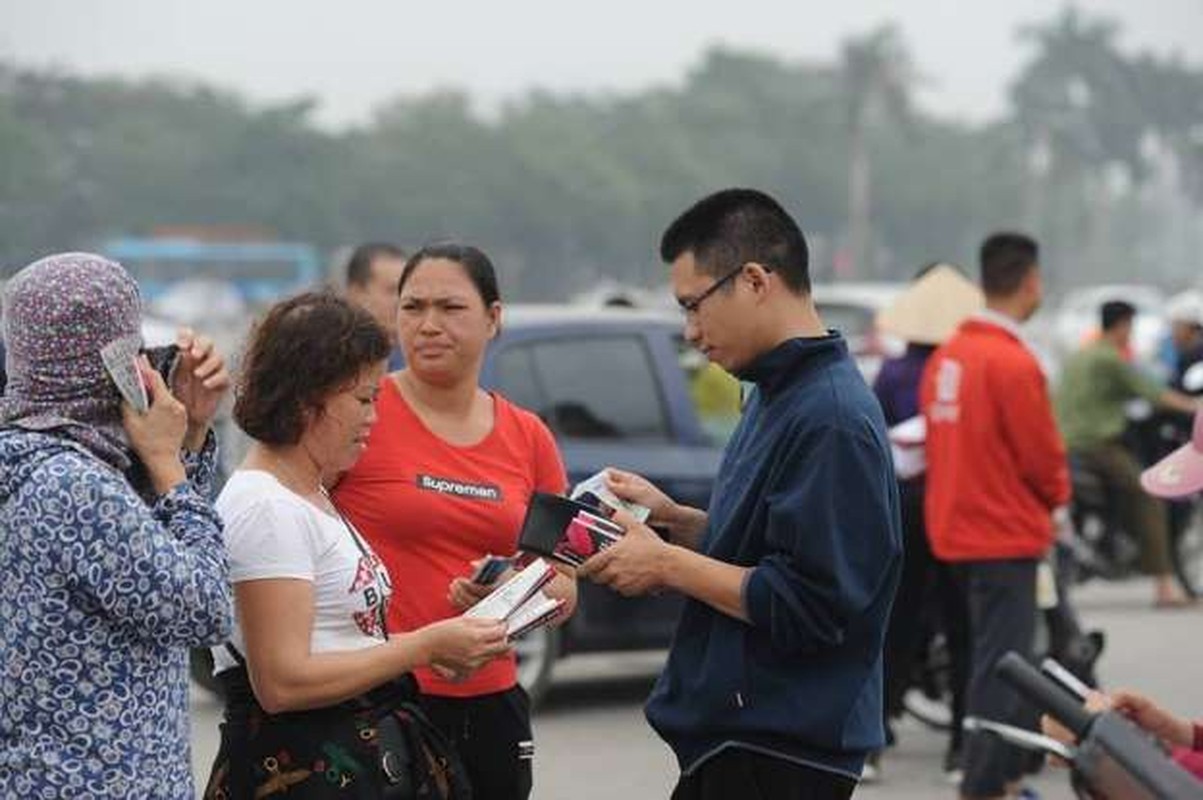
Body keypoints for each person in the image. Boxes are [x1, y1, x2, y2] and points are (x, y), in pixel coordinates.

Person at [579, 188, 903, 800]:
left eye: (694, 306)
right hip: (739, 738)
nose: (691, 332)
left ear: (754, 280)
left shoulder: (829, 415)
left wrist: (667, 564)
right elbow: (770, 546)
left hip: (779, 748)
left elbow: (811, 603)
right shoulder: (776, 390)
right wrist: (675, 522)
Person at [203, 290, 508, 799]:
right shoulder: (266, 507)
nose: (373, 418)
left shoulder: (308, 489)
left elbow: (341, 641)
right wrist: (424, 645)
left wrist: (436, 647)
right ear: (308, 398)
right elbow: (282, 682)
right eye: (363, 399)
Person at [332, 243, 578, 800]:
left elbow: (565, 588)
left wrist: (514, 596)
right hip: (380, 700)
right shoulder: (360, 414)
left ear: (494, 318)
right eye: (413, 307)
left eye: (450, 307)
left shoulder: (530, 437)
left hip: (493, 707)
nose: (429, 325)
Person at [0, 252, 233, 798]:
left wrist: (190, 434)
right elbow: (204, 608)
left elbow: (154, 556)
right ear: (117, 356)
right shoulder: (77, 487)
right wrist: (170, 465)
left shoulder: (31, 459)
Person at [921, 232, 1071, 800]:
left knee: (979, 659)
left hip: (953, 533)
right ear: (1030, 282)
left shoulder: (948, 355)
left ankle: (1003, 774)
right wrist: (1057, 501)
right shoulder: (1012, 362)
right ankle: (986, 786)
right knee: (1001, 667)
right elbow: (1044, 459)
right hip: (1003, 536)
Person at [868, 263, 980, 784]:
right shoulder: (965, 369)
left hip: (904, 508)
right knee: (962, 627)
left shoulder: (891, 374)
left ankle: (871, 741)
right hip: (956, 509)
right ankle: (962, 743)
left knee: (897, 622)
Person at [1055, 299, 1201, 607]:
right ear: (1121, 326)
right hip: (1096, 446)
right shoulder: (1110, 359)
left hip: (1067, 444)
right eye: (1130, 327)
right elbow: (1155, 393)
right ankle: (1164, 586)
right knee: (1150, 495)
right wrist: (1195, 406)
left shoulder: (1082, 355)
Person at [344, 242, 408, 370]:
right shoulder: (331, 360)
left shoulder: (420, 360)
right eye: (391, 290)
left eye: (406, 290)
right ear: (357, 293)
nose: (403, 301)